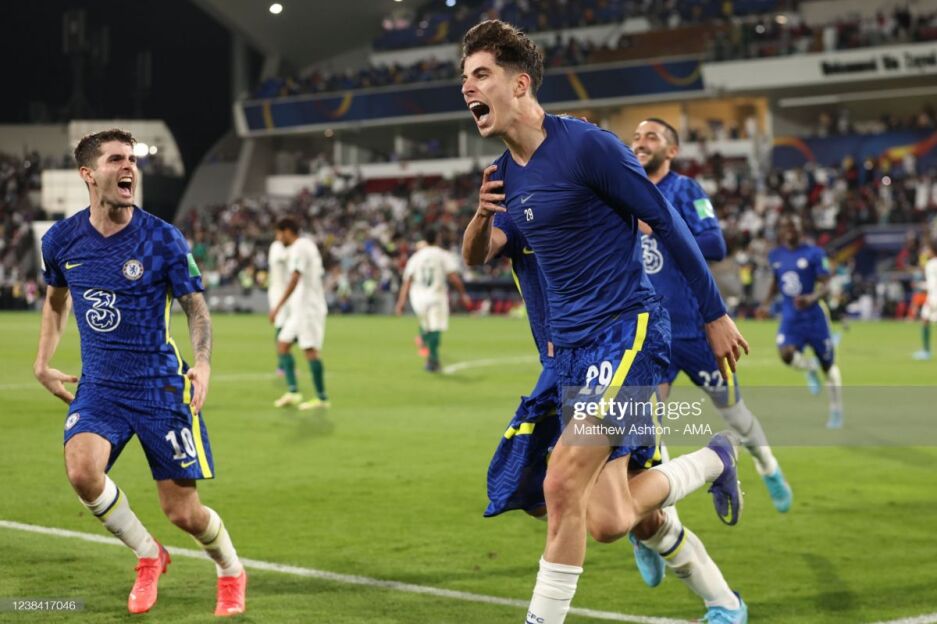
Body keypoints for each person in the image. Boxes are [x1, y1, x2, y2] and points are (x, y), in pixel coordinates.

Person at [460, 20, 749, 624]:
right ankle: (715, 461)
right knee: (611, 519)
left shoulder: (588, 147)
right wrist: (481, 217)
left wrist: (714, 313)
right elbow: (478, 256)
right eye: (465, 78)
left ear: (520, 83)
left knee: (561, 482)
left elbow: (667, 222)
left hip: (626, 333)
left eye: (481, 74)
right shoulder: (504, 176)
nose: (468, 87)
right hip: (569, 356)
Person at [34, 129, 246, 616]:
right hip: (100, 387)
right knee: (82, 471)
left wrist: (203, 364)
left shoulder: (162, 238)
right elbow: (55, 301)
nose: (128, 166)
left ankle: (231, 569)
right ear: (89, 174)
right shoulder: (61, 241)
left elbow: (196, 308)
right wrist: (43, 362)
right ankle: (149, 555)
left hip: (160, 388)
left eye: (131, 158)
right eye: (115, 159)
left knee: (183, 512)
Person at [631, 118, 792, 512]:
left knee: (735, 414)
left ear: (671, 150)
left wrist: (659, 228)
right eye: (635, 137)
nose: (640, 142)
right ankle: (660, 519)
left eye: (651, 137)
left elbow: (715, 244)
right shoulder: (625, 192)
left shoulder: (685, 190)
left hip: (697, 331)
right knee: (646, 428)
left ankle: (768, 465)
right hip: (650, 333)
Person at [758, 214, 844, 428]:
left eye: (794, 226)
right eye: (786, 226)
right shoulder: (775, 255)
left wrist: (811, 297)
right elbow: (776, 282)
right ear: (781, 230)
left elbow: (826, 284)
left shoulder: (815, 253)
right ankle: (809, 368)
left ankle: (836, 411)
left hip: (814, 318)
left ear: (800, 229)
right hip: (791, 317)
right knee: (786, 354)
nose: (790, 230)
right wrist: (766, 304)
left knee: (829, 366)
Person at [269, 217, 330, 409]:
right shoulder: (304, 246)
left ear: (287, 231)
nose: (278, 238)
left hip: (309, 308)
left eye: (279, 233)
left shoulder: (300, 247)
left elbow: (295, 277)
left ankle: (322, 398)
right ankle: (294, 392)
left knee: (310, 350)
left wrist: (278, 306)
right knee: (283, 344)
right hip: (300, 308)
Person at [395, 229, 472, 372]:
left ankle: (424, 339)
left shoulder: (416, 257)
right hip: (436, 296)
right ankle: (433, 360)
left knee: (427, 325)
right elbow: (453, 277)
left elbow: (407, 281)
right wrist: (463, 294)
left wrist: (401, 302)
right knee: (435, 328)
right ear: (437, 239)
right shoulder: (442, 254)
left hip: (418, 298)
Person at [267, 236, 290, 374]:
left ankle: (285, 364)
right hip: (278, 292)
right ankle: (282, 366)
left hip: (287, 292)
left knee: (287, 327)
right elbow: (285, 258)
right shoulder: (276, 246)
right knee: (281, 326)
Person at [913, 237, 937, 360]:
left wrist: (920, 286)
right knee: (925, 318)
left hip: (933, 297)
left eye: (928, 249)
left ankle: (926, 352)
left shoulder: (930, 264)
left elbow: (932, 284)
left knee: (925, 319)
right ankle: (926, 351)